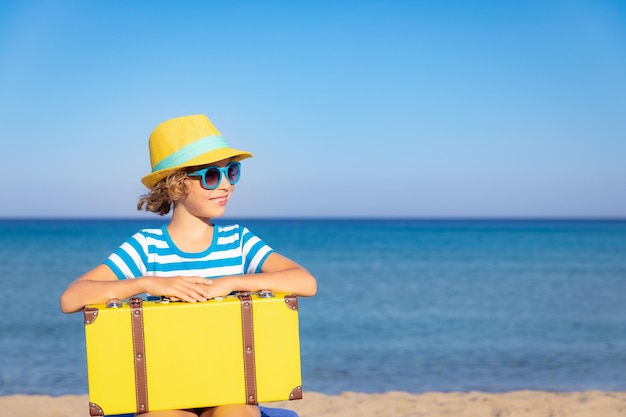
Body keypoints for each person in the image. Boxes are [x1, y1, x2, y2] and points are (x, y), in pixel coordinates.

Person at [60, 114, 317, 417]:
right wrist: (148, 283)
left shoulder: (239, 241)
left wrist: (231, 282)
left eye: (231, 172)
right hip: (163, 388)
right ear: (174, 187)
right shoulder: (147, 247)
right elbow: (71, 298)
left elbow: (305, 282)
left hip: (229, 386)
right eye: (211, 176)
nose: (225, 185)